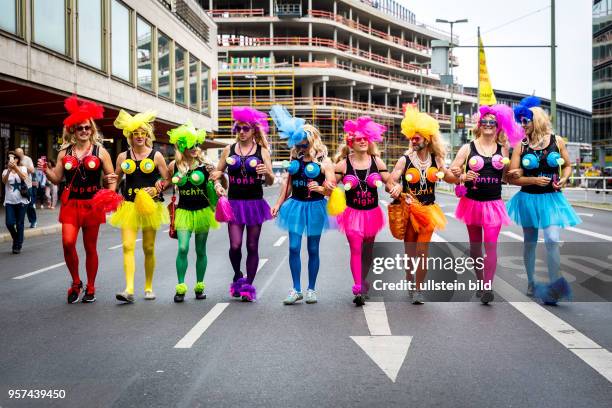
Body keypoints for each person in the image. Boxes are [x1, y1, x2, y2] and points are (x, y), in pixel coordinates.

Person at [40, 95, 116, 303]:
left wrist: (110, 194)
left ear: (92, 130)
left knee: (90, 247)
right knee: (67, 243)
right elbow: (56, 179)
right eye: (80, 128)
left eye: (87, 128)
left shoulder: (101, 152)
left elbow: (111, 177)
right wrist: (45, 170)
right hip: (71, 203)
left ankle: (90, 287)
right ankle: (76, 281)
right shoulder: (65, 151)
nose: (84, 131)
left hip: (93, 203)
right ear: (73, 129)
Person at [507, 96, 581, 304]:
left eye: (525, 121)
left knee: (551, 239)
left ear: (536, 120)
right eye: (520, 121)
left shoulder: (557, 141)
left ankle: (556, 283)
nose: (522, 125)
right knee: (529, 242)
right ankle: (531, 281)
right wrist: (530, 179)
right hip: (528, 198)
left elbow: (567, 165)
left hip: (551, 199)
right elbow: (514, 176)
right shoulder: (521, 145)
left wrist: (564, 179)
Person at [449, 104, 523, 304]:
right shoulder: (468, 147)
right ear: (479, 125)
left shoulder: (504, 148)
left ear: (498, 126)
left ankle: (487, 287)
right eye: (485, 122)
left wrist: (514, 174)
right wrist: (463, 175)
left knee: (490, 245)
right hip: (471, 202)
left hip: (493, 203)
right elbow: (452, 171)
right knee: (475, 248)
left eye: (492, 122)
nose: (488, 125)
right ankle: (481, 281)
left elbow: (506, 176)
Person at [269, 105, 335, 305]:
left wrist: (321, 189)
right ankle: (296, 289)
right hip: (295, 206)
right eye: (298, 145)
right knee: (294, 247)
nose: (301, 148)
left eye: (304, 145)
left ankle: (311, 289)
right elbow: (286, 186)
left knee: (313, 249)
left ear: (311, 141)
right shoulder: (293, 158)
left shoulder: (325, 161)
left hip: (315, 207)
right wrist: (278, 204)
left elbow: (331, 189)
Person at [387, 106, 450, 304]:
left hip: (429, 210)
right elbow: (391, 180)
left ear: (427, 138)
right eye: (411, 138)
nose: (413, 141)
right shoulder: (405, 160)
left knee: (423, 251)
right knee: (410, 252)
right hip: (409, 211)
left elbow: (449, 177)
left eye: (417, 138)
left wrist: (458, 176)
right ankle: (409, 277)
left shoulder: (436, 159)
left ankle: (418, 289)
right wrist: (394, 188)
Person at [212, 107, 274, 302]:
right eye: (238, 128)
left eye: (245, 128)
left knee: (252, 245)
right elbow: (217, 173)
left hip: (255, 203)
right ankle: (238, 274)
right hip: (235, 204)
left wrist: (267, 173)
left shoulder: (262, 151)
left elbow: (271, 180)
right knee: (235, 245)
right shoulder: (227, 150)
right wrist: (217, 185)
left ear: (253, 130)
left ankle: (248, 286)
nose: (241, 132)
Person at [109, 110, 169, 303]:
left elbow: (167, 178)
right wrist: (109, 189)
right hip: (129, 206)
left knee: (148, 247)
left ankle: (149, 287)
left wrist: (158, 188)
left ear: (147, 135)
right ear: (130, 136)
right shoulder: (122, 156)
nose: (140, 136)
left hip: (150, 207)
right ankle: (129, 289)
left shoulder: (156, 155)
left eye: (143, 133)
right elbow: (115, 179)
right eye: (136, 133)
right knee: (127, 246)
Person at [332, 116, 391, 306]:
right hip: (352, 214)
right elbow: (330, 185)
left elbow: (390, 183)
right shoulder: (343, 165)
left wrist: (396, 189)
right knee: (356, 249)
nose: (363, 141)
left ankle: (363, 281)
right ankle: (358, 287)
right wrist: (326, 187)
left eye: (366, 138)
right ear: (351, 142)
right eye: (358, 138)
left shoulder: (377, 162)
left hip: (372, 213)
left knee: (367, 252)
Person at [168, 122, 221, 302]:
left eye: (196, 145)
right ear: (182, 146)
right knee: (182, 248)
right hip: (183, 211)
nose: (194, 148)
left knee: (200, 250)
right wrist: (158, 185)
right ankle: (181, 287)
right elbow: (165, 181)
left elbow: (217, 183)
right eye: (190, 145)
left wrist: (219, 184)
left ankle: (199, 286)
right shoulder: (174, 165)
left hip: (202, 211)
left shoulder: (205, 165)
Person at [3, 151, 30, 254]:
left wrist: (16, 168)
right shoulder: (5, 171)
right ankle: (16, 238)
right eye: (10, 158)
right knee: (9, 223)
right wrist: (9, 171)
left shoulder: (22, 168)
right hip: (9, 201)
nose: (12, 160)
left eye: (13, 158)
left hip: (21, 201)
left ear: (17, 159)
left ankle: (17, 245)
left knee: (20, 224)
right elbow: (4, 181)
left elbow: (24, 177)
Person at [14, 148, 36, 227]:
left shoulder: (28, 159)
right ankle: (18, 222)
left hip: (27, 185)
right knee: (17, 204)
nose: (18, 155)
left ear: (22, 153)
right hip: (16, 185)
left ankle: (33, 221)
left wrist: (23, 166)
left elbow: (32, 171)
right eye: (16, 154)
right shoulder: (14, 160)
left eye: (20, 154)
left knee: (29, 204)